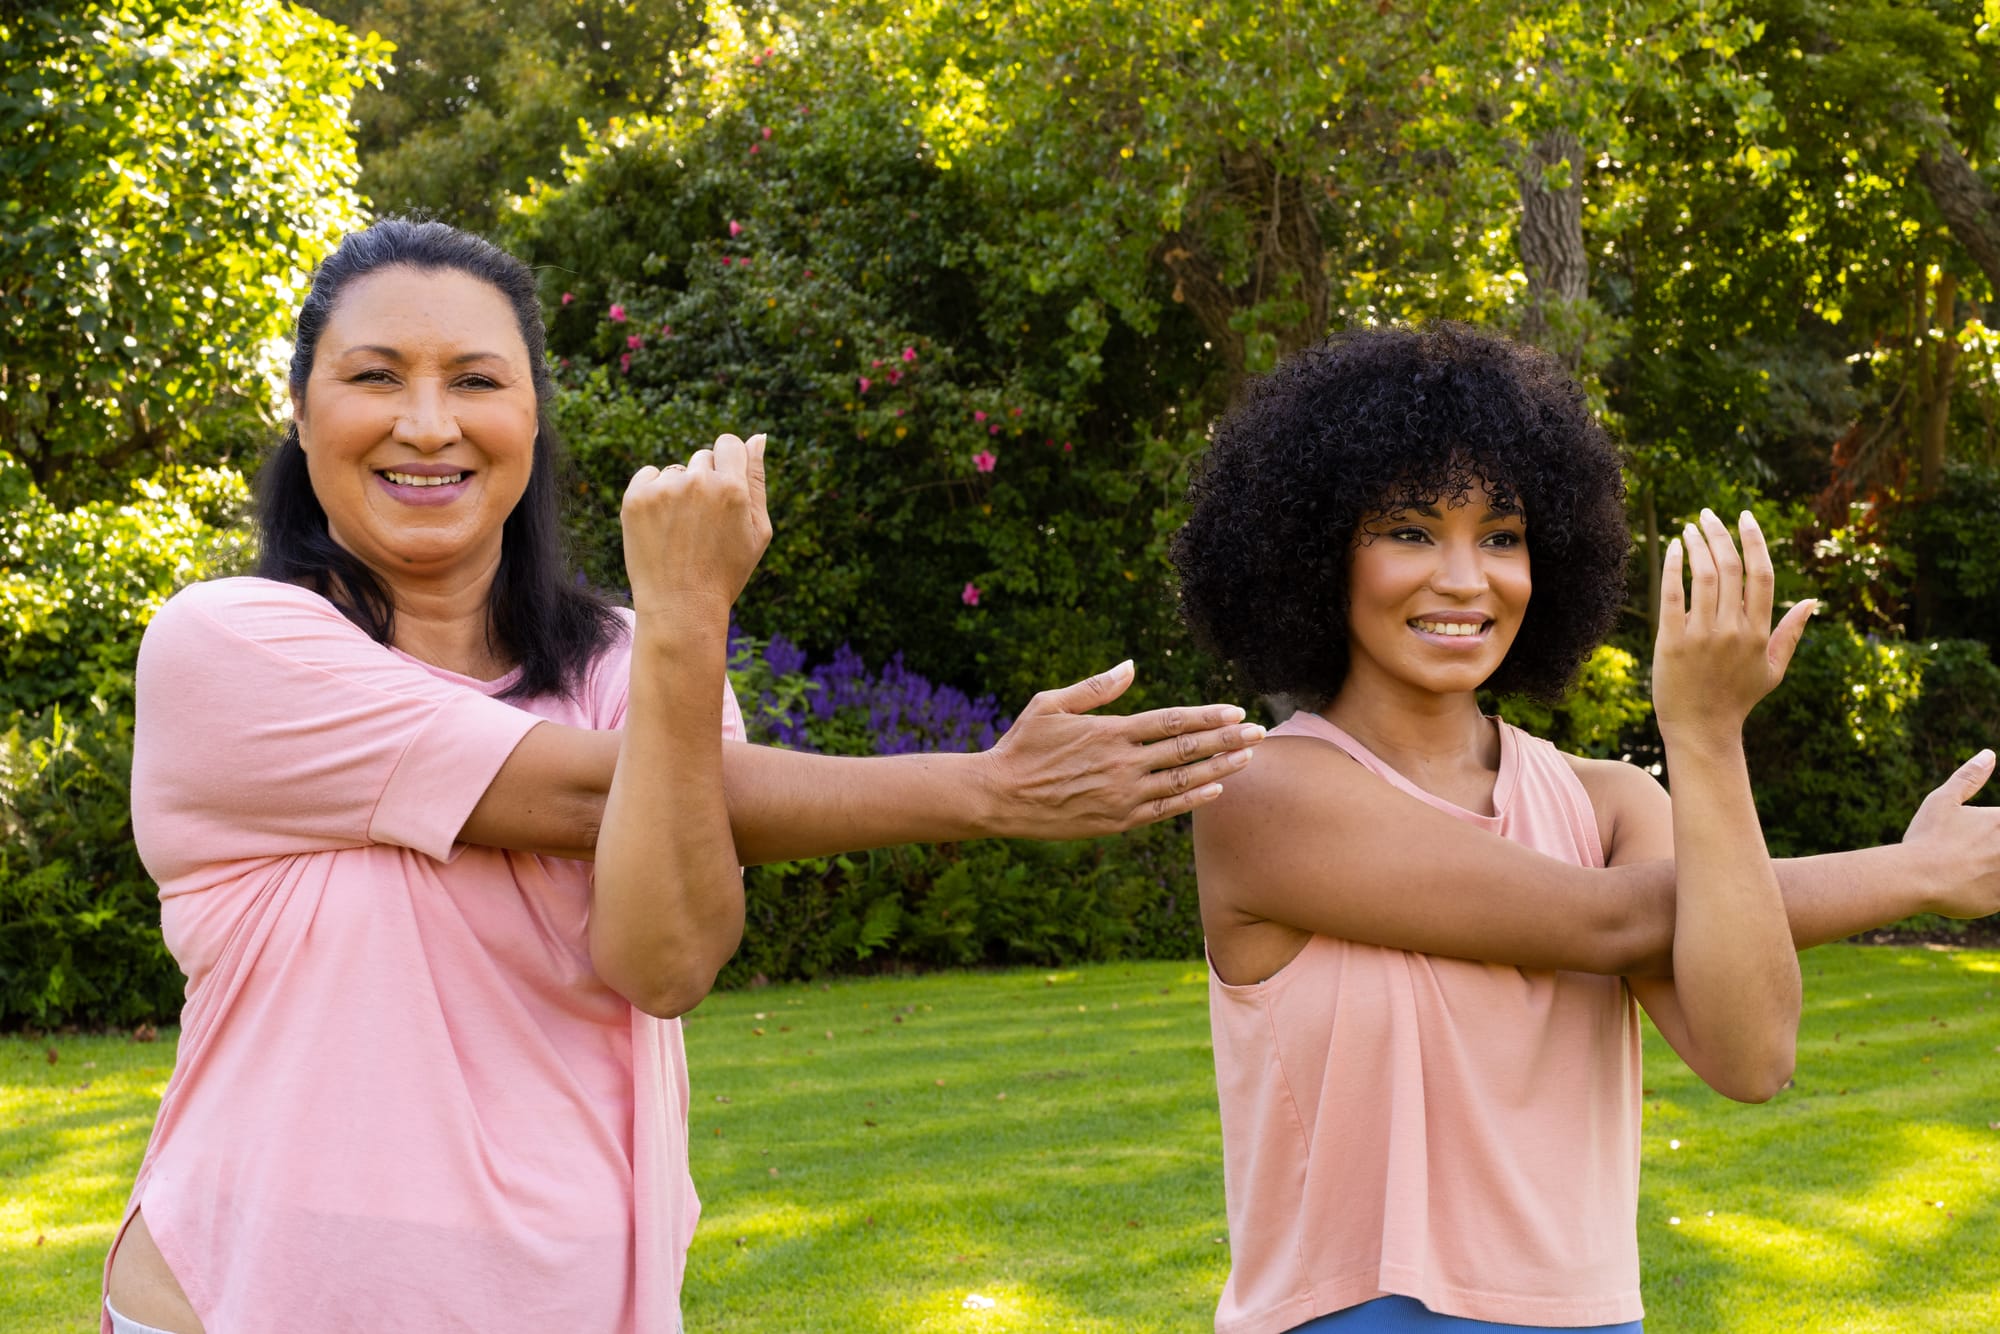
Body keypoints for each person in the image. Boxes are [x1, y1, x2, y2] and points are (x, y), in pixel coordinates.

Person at [102, 218, 1264, 1334]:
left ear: (531, 417)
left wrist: (680, 621)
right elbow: (594, 793)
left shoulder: (631, 658)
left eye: (473, 379)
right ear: (301, 413)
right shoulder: (232, 643)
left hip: (574, 1296)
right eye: (373, 376)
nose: (424, 422)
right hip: (256, 1286)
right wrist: (980, 788)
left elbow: (662, 960)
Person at [1169, 324, 2000, 1334]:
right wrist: (1911, 872)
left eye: (1502, 535)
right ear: (1313, 550)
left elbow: (1750, 1057)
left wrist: (1703, 739)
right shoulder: (1261, 793)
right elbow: (1608, 921)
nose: (1466, 577)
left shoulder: (1608, 802)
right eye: (1408, 530)